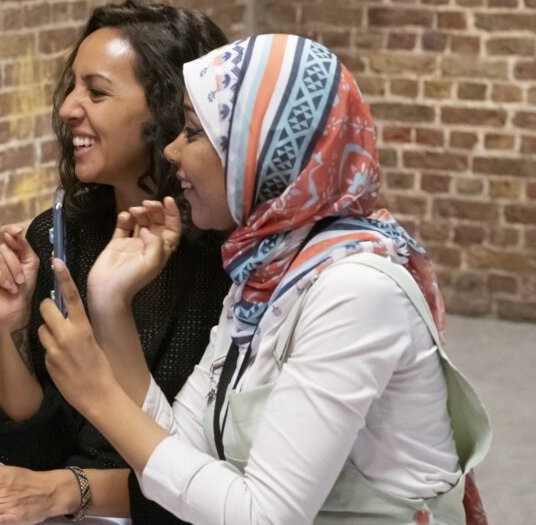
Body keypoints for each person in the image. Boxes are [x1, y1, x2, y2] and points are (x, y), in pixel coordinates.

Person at [38, 33, 491, 524]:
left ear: (262, 152)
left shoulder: (355, 290)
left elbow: (263, 517)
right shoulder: (265, 276)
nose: (170, 151)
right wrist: (109, 304)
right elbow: (181, 453)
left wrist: (99, 395)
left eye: (192, 132)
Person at [0, 0, 232, 523]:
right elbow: (27, 452)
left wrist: (71, 488)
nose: (66, 109)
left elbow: (208, 477)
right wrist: (9, 326)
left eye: (97, 92)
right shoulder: (62, 236)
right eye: (73, 87)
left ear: (168, 109)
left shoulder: (223, 259)